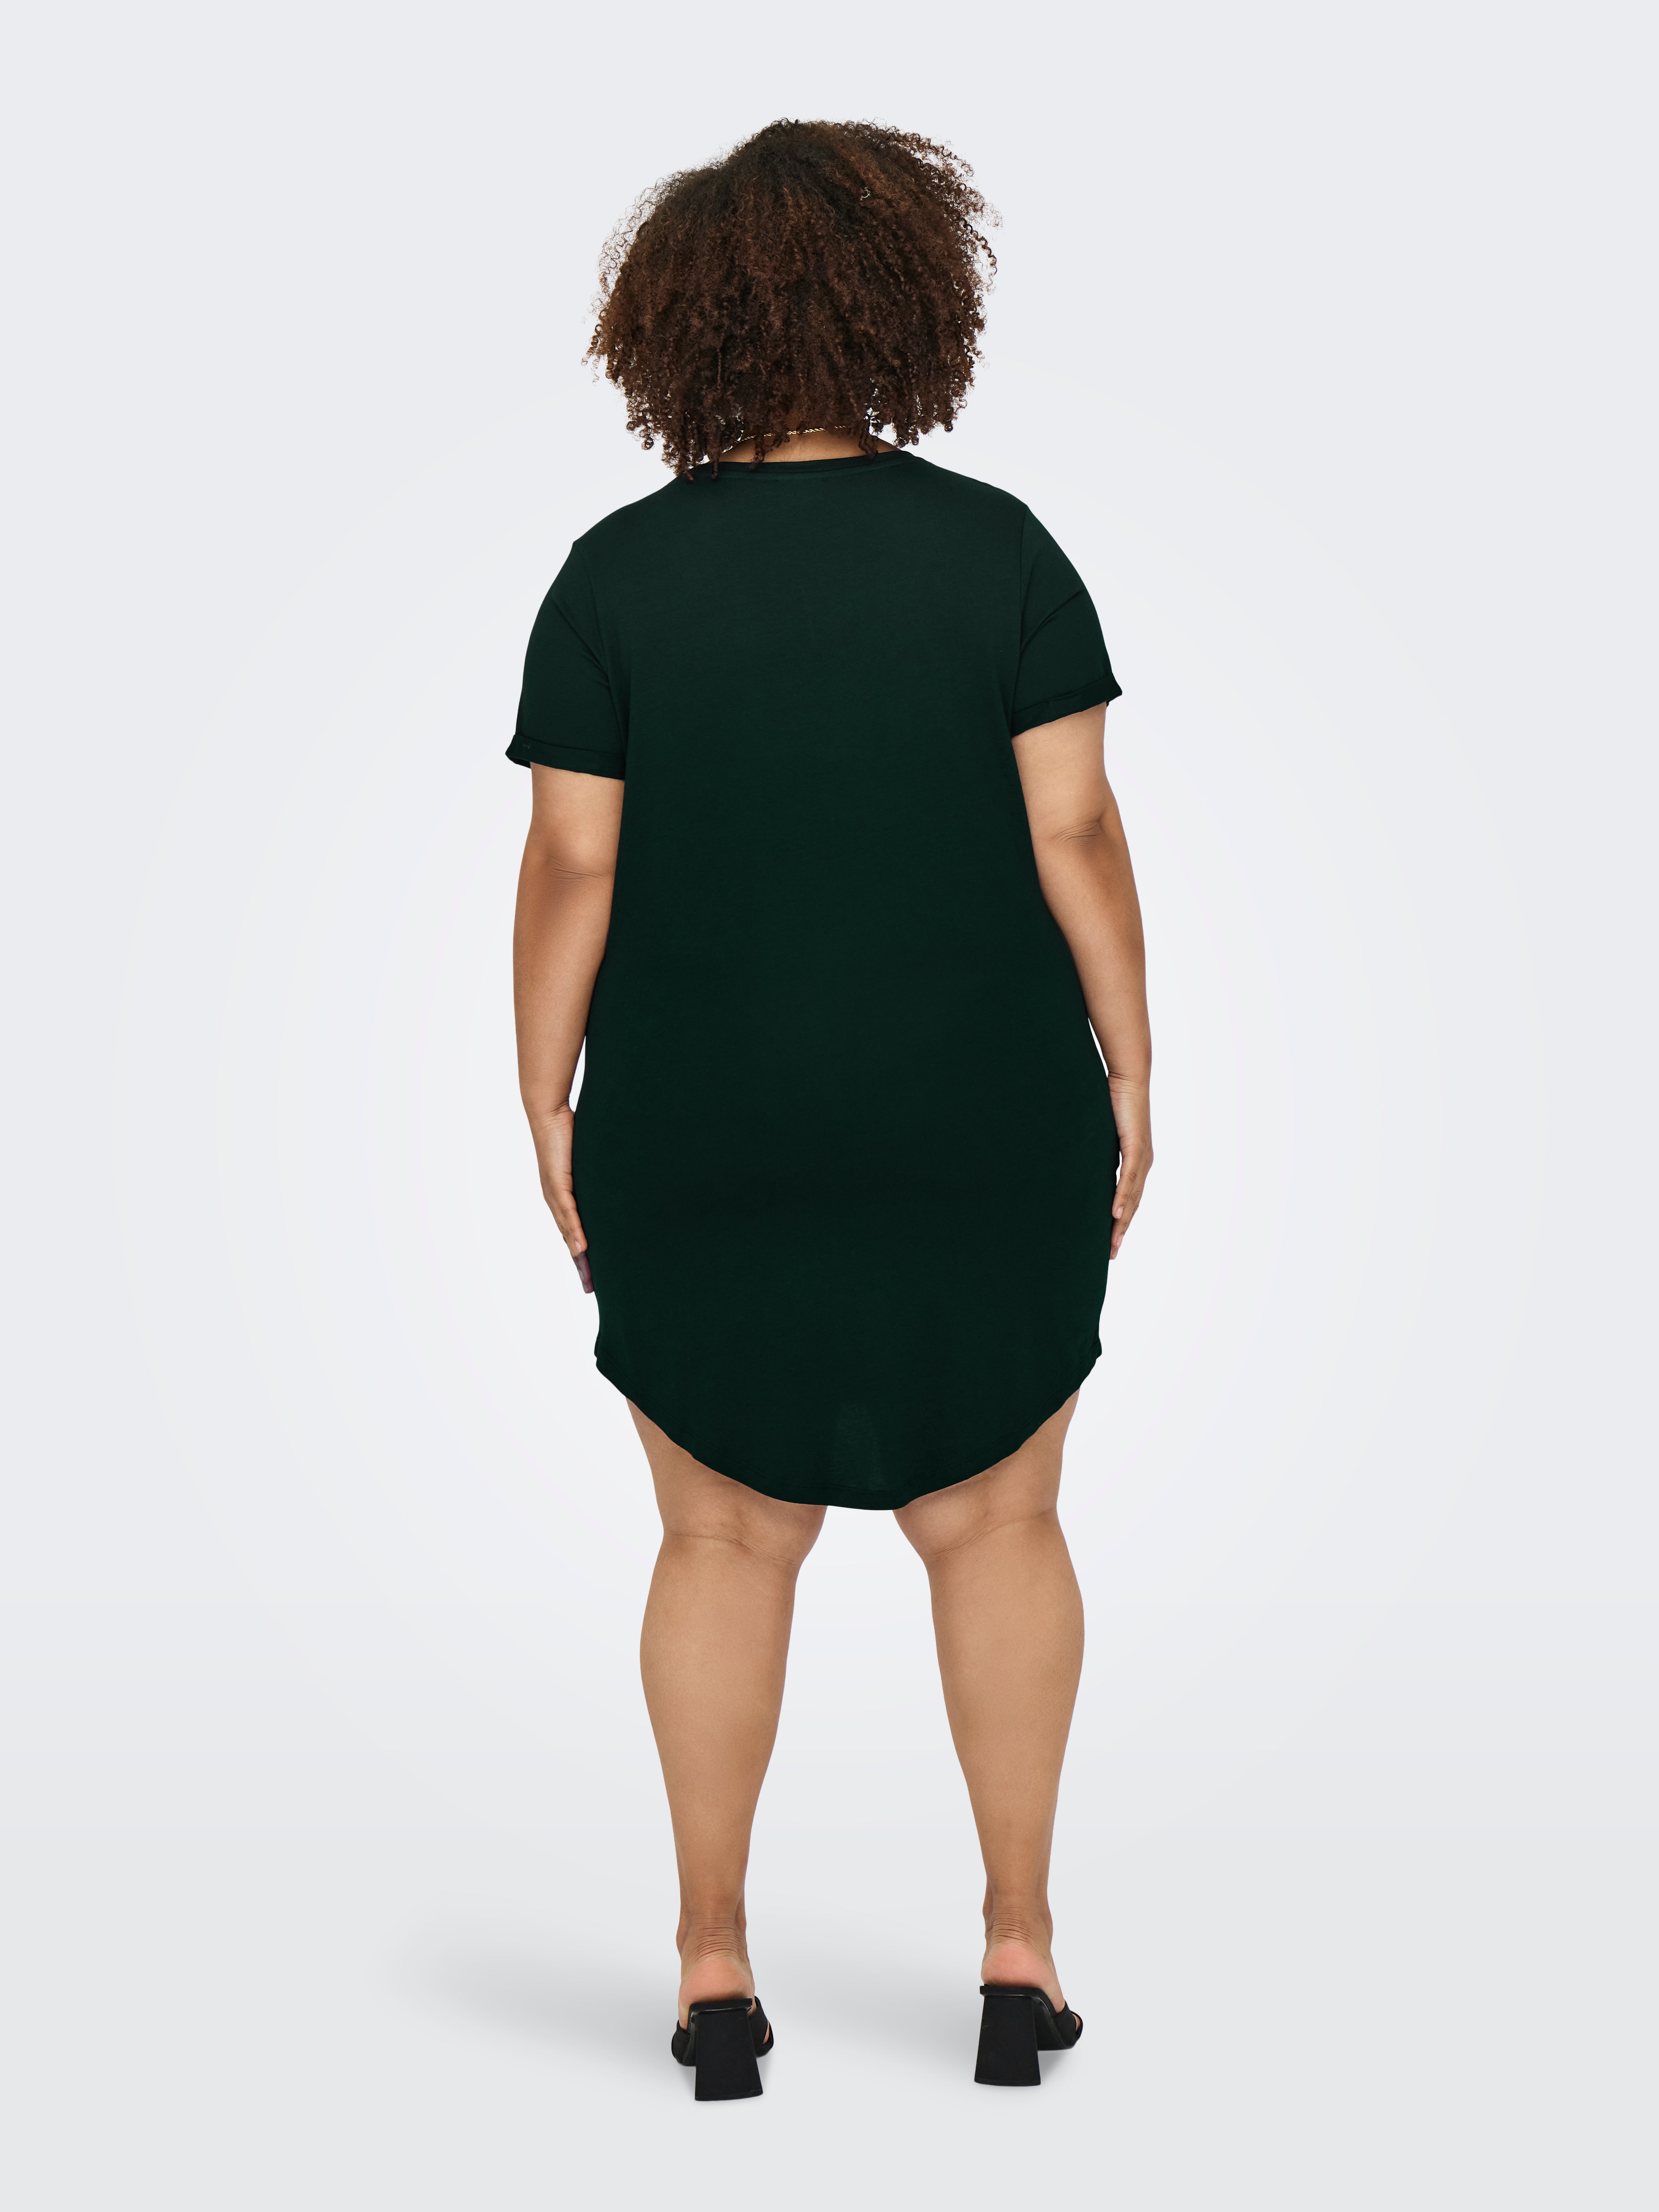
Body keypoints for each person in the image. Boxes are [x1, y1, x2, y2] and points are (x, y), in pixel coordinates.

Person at [509, 118, 1152, 2098]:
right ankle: (1018, 1952)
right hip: (983, 1102)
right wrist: (1130, 1061)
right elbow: (1072, 828)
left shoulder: (613, 577)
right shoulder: (1001, 551)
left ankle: (711, 1968)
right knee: (1000, 1519)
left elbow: (576, 863)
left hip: (701, 1114)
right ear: (905, 302)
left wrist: (543, 1090)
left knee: (719, 1542)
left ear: (672, 327)